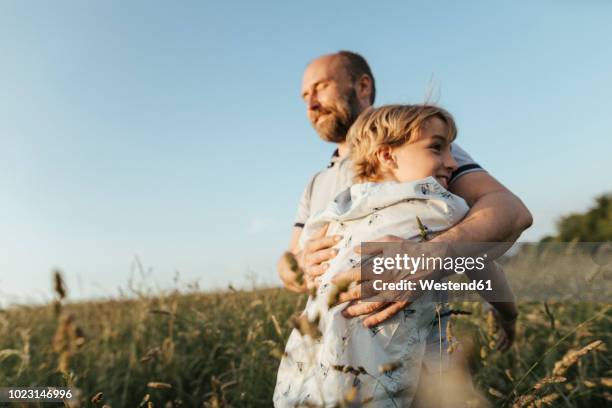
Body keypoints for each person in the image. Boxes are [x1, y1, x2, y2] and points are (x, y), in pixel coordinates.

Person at [274, 104, 518, 407]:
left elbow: (302, 263)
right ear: (388, 155)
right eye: (437, 148)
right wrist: (508, 315)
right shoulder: (438, 206)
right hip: (394, 373)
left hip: (313, 373)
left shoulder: (334, 213)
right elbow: (484, 268)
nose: (452, 162)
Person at [278, 50, 530, 327]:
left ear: (362, 86)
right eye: (304, 97)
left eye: (321, 87)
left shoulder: (415, 147)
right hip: (329, 344)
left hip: (409, 347)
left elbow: (510, 211)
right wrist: (299, 265)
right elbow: (289, 261)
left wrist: (432, 255)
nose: (311, 104)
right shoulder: (316, 183)